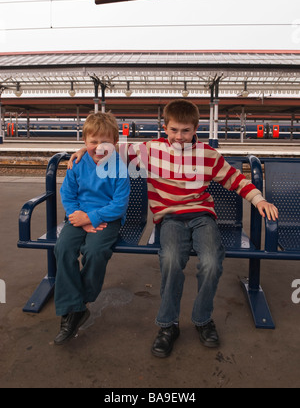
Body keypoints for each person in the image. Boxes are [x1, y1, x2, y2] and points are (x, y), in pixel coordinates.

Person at [68, 100, 278, 357]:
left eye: (186, 130)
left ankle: (203, 319)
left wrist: (259, 199)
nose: (180, 136)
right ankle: (168, 325)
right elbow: (109, 147)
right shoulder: (149, 150)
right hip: (169, 218)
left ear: (195, 129)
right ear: (164, 128)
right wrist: (82, 148)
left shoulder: (208, 155)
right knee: (170, 260)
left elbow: (235, 179)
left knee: (212, 261)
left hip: (202, 217)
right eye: (175, 130)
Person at [54, 112, 130, 345]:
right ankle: (74, 307)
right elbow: (67, 193)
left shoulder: (119, 167)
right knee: (63, 247)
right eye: (93, 142)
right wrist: (78, 216)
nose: (98, 148)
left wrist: (92, 218)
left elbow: (119, 205)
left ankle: (78, 304)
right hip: (78, 217)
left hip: (108, 218)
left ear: (115, 143)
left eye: (104, 142)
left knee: (95, 251)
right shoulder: (78, 163)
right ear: (85, 142)